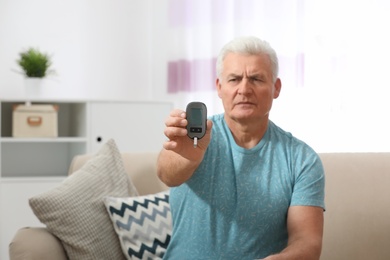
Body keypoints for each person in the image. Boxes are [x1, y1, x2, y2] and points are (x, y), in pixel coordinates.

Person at [157, 36, 325, 260]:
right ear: (219, 87)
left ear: (276, 87)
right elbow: (166, 174)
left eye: (256, 79)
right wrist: (188, 159)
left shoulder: (302, 159)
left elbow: (307, 243)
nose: (244, 89)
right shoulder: (194, 137)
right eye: (234, 79)